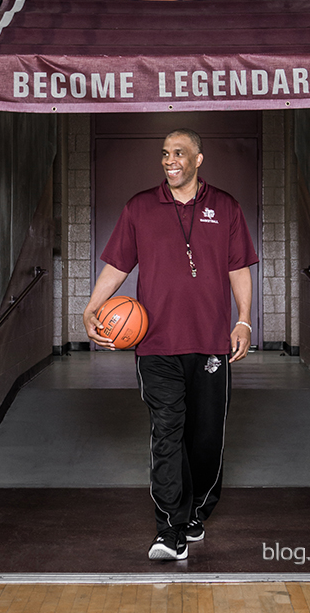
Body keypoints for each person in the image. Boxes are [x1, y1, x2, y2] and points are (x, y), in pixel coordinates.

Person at [83, 128, 258, 561]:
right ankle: (170, 528)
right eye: (164, 153)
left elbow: (239, 270)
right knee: (167, 433)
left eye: (179, 153)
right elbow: (118, 264)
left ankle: (197, 510)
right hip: (156, 346)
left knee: (205, 437)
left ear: (200, 158)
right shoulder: (140, 207)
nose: (170, 160)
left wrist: (244, 321)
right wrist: (92, 306)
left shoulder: (226, 207)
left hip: (211, 343)